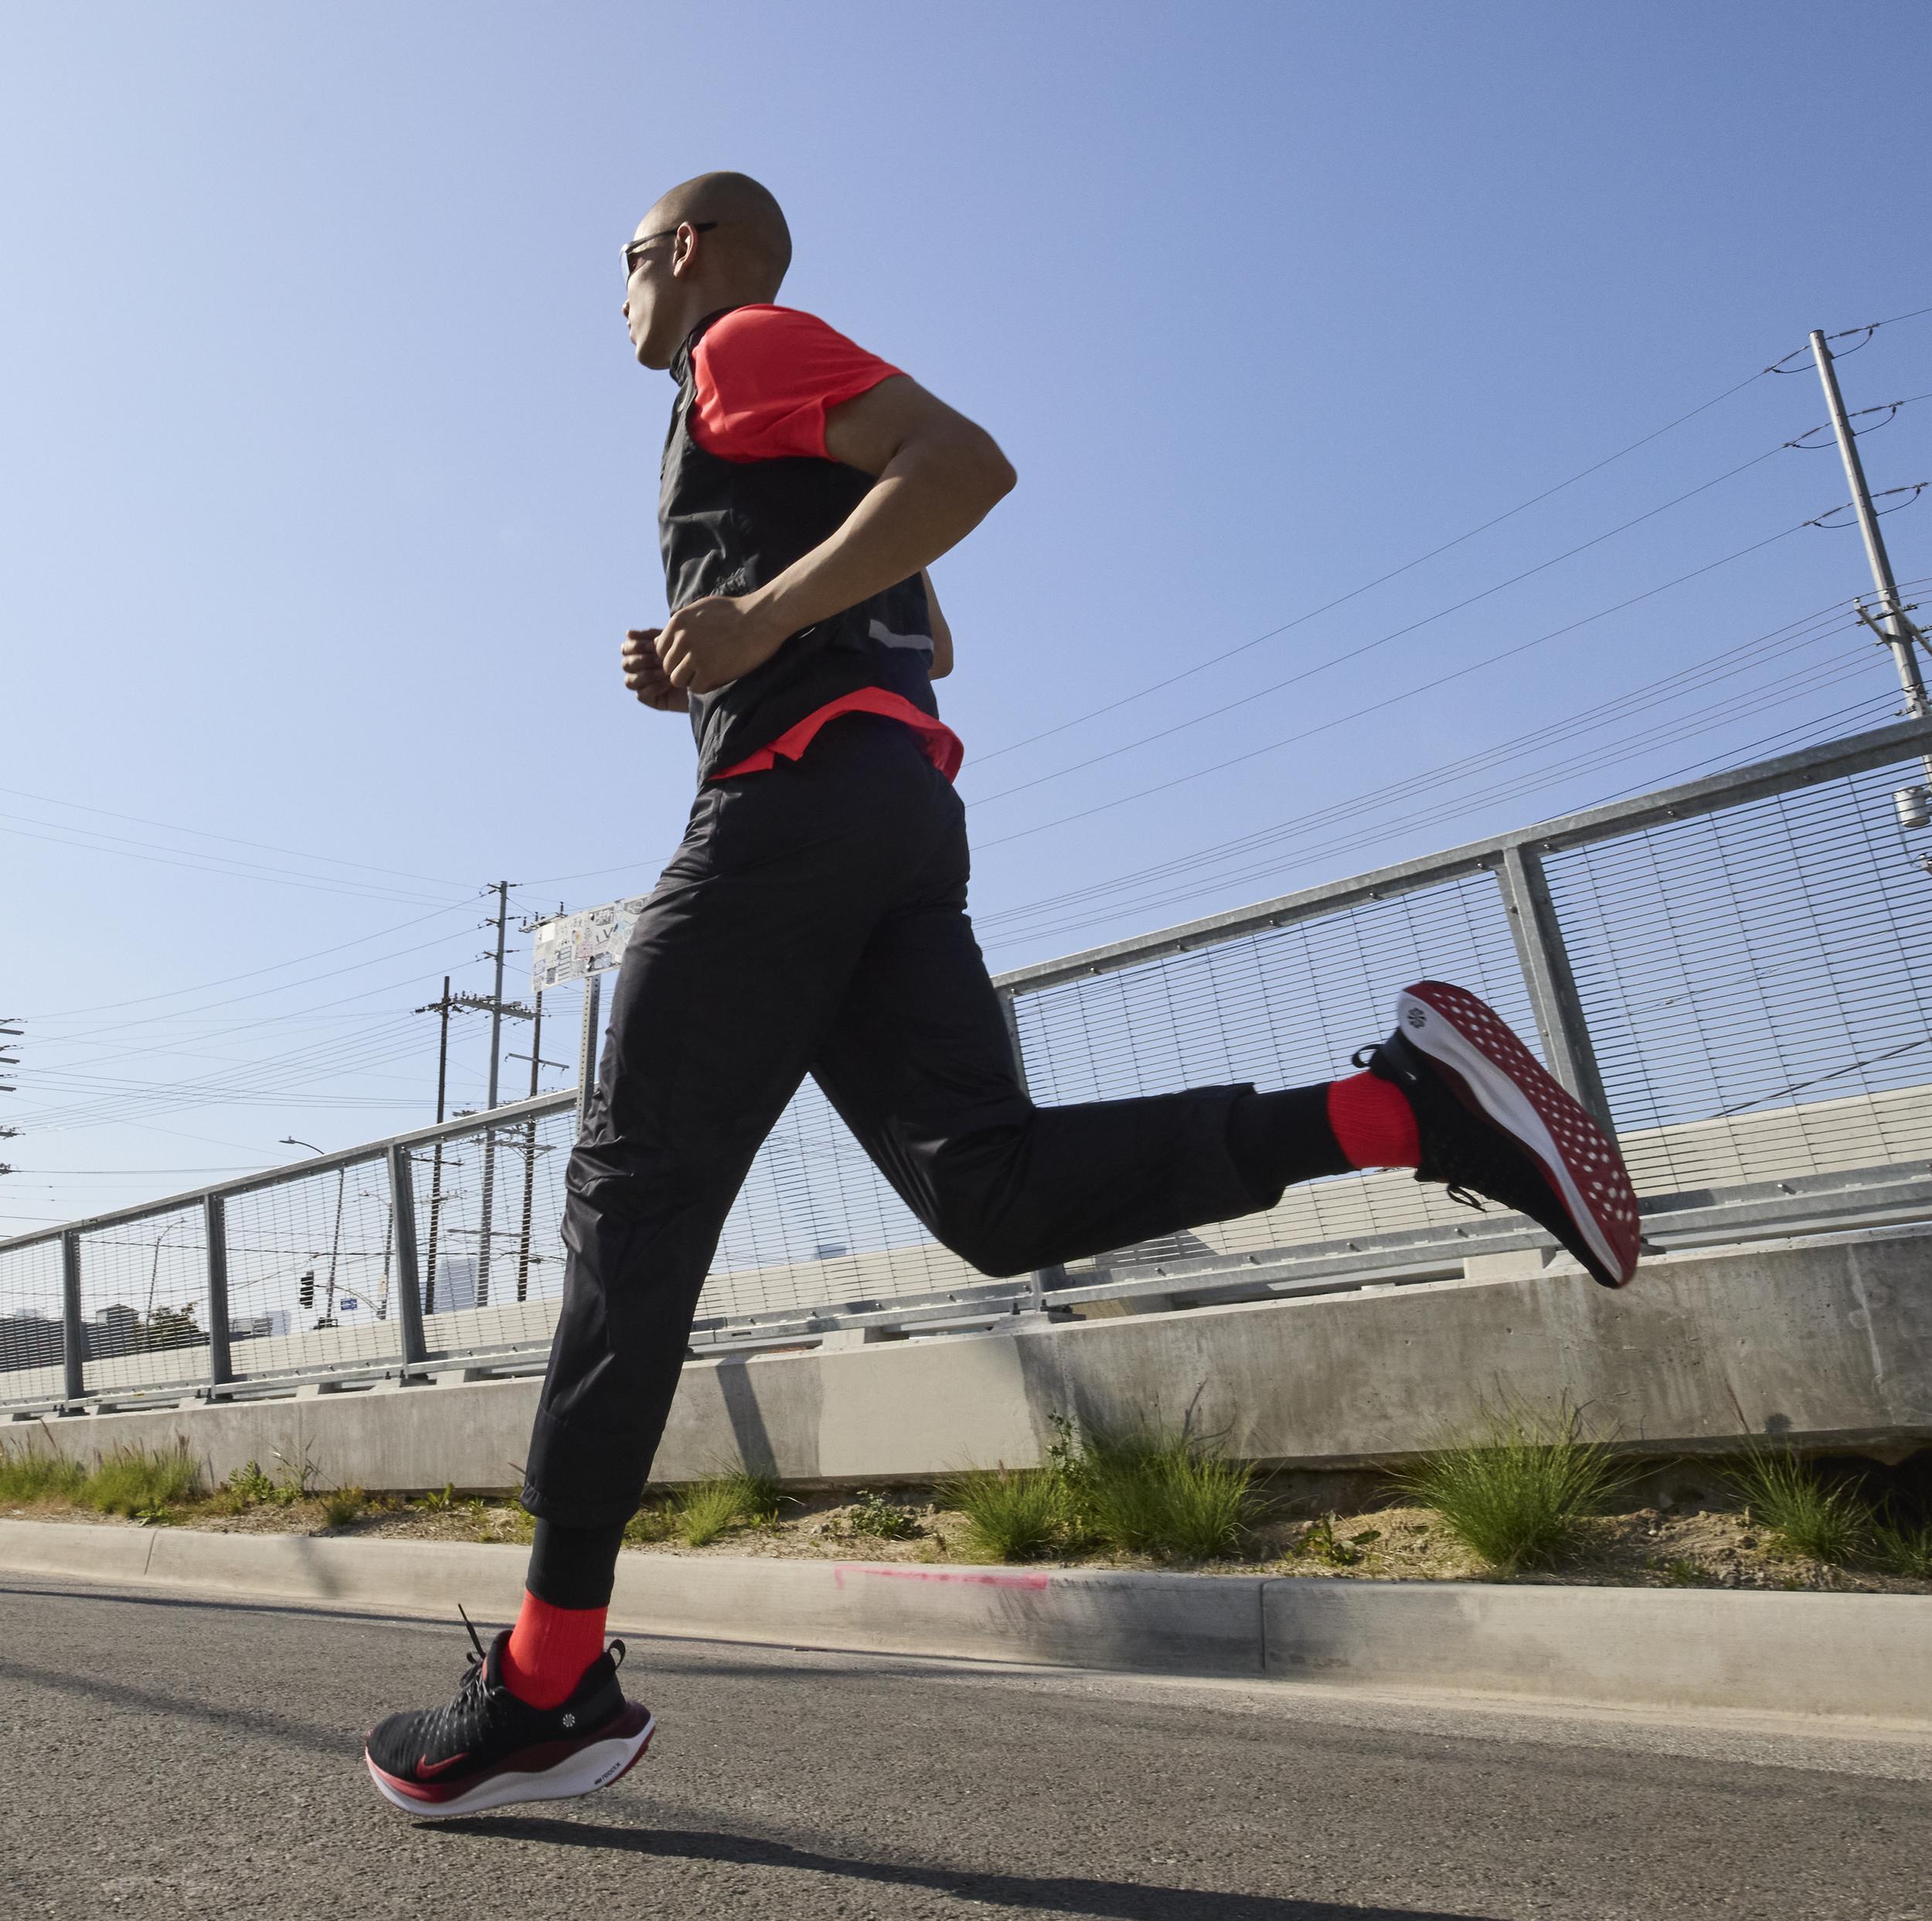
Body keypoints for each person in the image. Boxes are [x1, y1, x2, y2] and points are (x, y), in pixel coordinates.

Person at [364, 172, 1641, 1818]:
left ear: (679, 252)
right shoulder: (773, 419)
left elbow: (963, 467)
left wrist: (751, 617)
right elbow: (929, 627)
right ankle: (1402, 1103)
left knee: (632, 1190)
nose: (611, 302)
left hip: (795, 806)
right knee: (988, 1187)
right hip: (894, 811)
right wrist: (725, 628)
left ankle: (544, 1681)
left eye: (616, 268)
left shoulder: (738, 344)